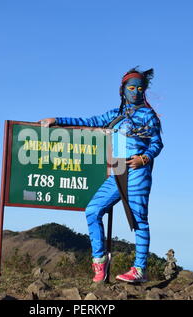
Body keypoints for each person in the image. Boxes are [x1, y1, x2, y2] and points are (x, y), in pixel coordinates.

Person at [38, 67, 164, 283]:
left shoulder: (148, 115)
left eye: (139, 88)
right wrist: (57, 119)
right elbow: (89, 121)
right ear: (122, 89)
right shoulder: (115, 114)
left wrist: (145, 158)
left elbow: (157, 142)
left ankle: (140, 269)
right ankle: (99, 262)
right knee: (93, 210)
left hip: (137, 170)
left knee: (139, 218)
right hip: (117, 168)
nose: (135, 92)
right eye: (131, 87)